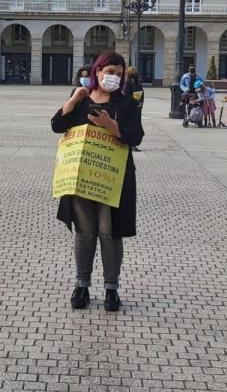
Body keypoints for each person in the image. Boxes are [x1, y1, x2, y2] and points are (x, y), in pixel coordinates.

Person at [51, 51, 144, 312]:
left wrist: (110, 125)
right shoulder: (81, 98)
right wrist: (72, 101)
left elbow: (135, 137)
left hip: (112, 180)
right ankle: (82, 285)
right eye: (109, 72)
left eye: (118, 73)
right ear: (97, 71)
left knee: (108, 232)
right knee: (85, 232)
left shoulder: (126, 104)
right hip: (81, 178)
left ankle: (111, 288)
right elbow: (57, 125)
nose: (113, 77)